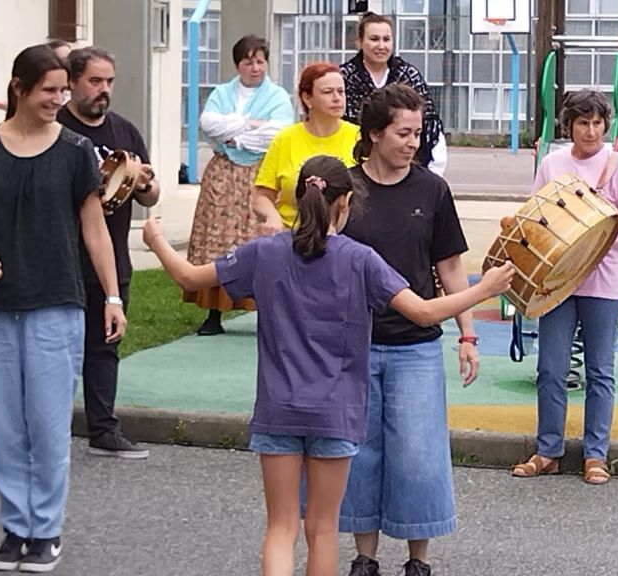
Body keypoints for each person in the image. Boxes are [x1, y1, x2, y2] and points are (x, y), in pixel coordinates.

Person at [143, 155, 513, 576]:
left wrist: (156, 240)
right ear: (347, 203)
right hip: (337, 412)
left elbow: (190, 278)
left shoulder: (265, 252)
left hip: (278, 410)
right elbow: (425, 313)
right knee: (323, 529)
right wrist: (484, 288)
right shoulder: (360, 259)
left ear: (297, 198)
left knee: (281, 528)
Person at [0, 43, 126, 573]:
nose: (59, 99)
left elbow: (93, 227)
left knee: (47, 423)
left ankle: (46, 530)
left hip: (57, 301)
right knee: (6, 426)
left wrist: (111, 295)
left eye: (64, 90)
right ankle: (15, 528)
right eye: (49, 90)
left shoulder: (77, 150)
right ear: (19, 88)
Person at [338, 84, 474, 576]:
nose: (412, 142)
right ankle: (364, 557)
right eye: (402, 132)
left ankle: (418, 561)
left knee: (418, 457)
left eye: (417, 133)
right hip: (354, 345)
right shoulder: (346, 190)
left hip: (416, 346)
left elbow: (450, 268)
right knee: (360, 454)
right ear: (374, 134)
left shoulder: (432, 190)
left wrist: (468, 334)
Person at [510, 89, 618, 485]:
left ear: (607, 124)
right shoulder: (552, 164)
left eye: (597, 123)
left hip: (606, 282)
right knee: (551, 368)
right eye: (582, 123)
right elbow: (535, 223)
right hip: (557, 280)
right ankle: (548, 449)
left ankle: (595, 455)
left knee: (600, 371)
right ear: (568, 125)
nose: (590, 131)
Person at [58, 46, 160, 459]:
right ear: (73, 83)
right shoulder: (59, 129)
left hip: (112, 255)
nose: (104, 90)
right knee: (61, 344)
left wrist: (142, 183)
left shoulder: (124, 131)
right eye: (94, 81)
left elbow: (152, 197)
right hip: (63, 255)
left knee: (105, 344)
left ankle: (103, 428)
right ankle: (51, 425)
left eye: (109, 82)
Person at [186, 34, 293, 335]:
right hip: (223, 175)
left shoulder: (278, 97)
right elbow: (209, 124)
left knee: (259, 240)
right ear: (238, 65)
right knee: (217, 240)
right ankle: (213, 312)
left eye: (260, 61)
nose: (255, 67)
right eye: (248, 62)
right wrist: (251, 124)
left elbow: (277, 133)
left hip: (262, 174)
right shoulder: (222, 93)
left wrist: (235, 132)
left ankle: (264, 311)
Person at [253, 61, 360, 235]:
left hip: (345, 238)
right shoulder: (285, 140)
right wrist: (272, 217)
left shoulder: (359, 138)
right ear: (307, 98)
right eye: (328, 92)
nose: (337, 98)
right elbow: (262, 196)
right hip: (293, 236)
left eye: (341, 92)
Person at [340, 12, 448, 176]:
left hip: (407, 169)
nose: (381, 46)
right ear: (360, 42)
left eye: (386, 39)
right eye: (374, 39)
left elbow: (430, 123)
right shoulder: (344, 77)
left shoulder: (409, 76)